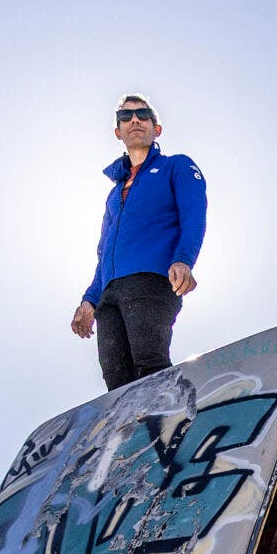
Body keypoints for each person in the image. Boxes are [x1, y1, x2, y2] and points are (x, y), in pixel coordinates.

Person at [71, 94, 207, 390]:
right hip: (109, 296)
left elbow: (194, 215)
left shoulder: (176, 166)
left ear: (156, 129)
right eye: (126, 116)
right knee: (116, 379)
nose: (135, 120)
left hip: (150, 280)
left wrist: (183, 259)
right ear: (118, 132)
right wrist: (89, 299)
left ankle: (175, 422)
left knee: (149, 363)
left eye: (143, 115)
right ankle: (137, 434)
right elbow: (103, 251)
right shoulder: (114, 194)